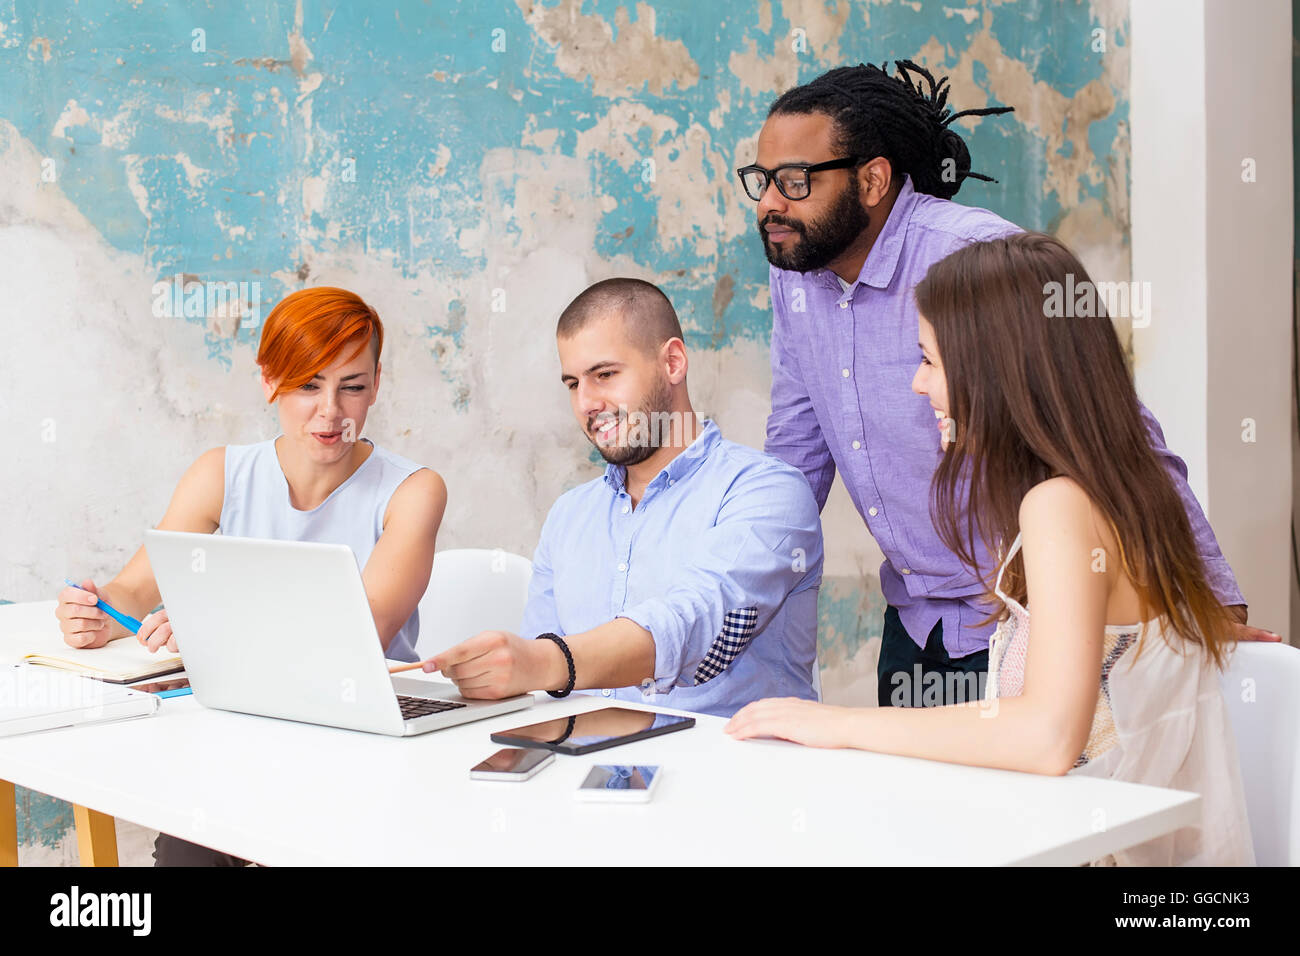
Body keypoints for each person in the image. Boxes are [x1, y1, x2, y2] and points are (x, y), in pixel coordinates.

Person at [741, 61, 1276, 709]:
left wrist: (1207, 597)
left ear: (873, 179)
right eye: (761, 180)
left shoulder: (978, 259)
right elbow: (796, 456)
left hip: (1027, 619)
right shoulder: (797, 273)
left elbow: (1114, 429)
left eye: (794, 181)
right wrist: (725, 599)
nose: (770, 202)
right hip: (915, 621)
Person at [726, 234, 1255, 865]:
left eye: (928, 360)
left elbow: (1049, 736)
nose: (920, 385)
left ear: (998, 370)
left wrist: (836, 724)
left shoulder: (1059, 507)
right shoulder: (1127, 486)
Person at [54, 286, 447, 864]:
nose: (331, 412)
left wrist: (218, 635)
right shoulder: (222, 474)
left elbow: (361, 636)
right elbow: (134, 592)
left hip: (353, 744)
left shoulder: (412, 491)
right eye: (308, 385)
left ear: (377, 385)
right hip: (231, 745)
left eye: (353, 387)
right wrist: (96, 611)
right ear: (269, 381)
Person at [420, 278, 822, 717]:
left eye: (605, 374)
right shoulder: (569, 515)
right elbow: (541, 692)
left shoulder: (768, 492)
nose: (587, 402)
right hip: (582, 766)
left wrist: (545, 661)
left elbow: (698, 622)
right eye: (572, 383)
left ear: (672, 362)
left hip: (726, 772)